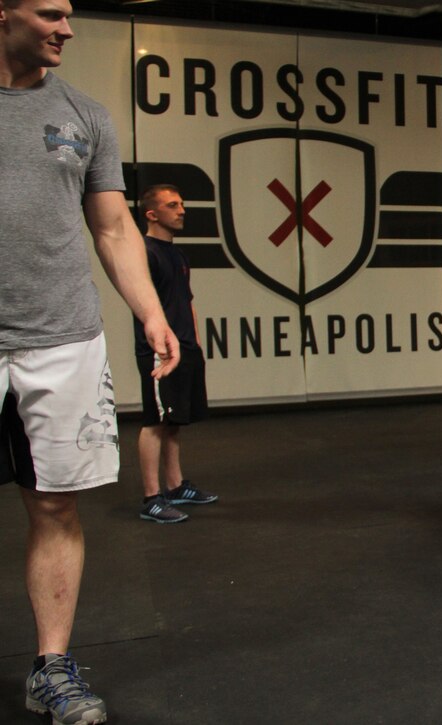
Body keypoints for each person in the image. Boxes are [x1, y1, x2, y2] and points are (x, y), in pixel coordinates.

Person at [0, 1, 180, 722]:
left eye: (71, 14)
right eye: (50, 12)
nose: (67, 28)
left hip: (62, 337)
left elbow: (111, 228)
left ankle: (51, 666)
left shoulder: (85, 114)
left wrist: (151, 311)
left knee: (55, 502)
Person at [135, 185, 217, 523]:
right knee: (155, 421)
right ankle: (152, 498)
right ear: (152, 214)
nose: (181, 210)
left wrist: (194, 344)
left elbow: (187, 301)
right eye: (172, 205)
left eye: (182, 204)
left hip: (184, 348)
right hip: (158, 351)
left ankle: (174, 485)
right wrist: (162, 346)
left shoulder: (178, 254)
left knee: (173, 421)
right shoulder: (144, 253)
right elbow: (143, 305)